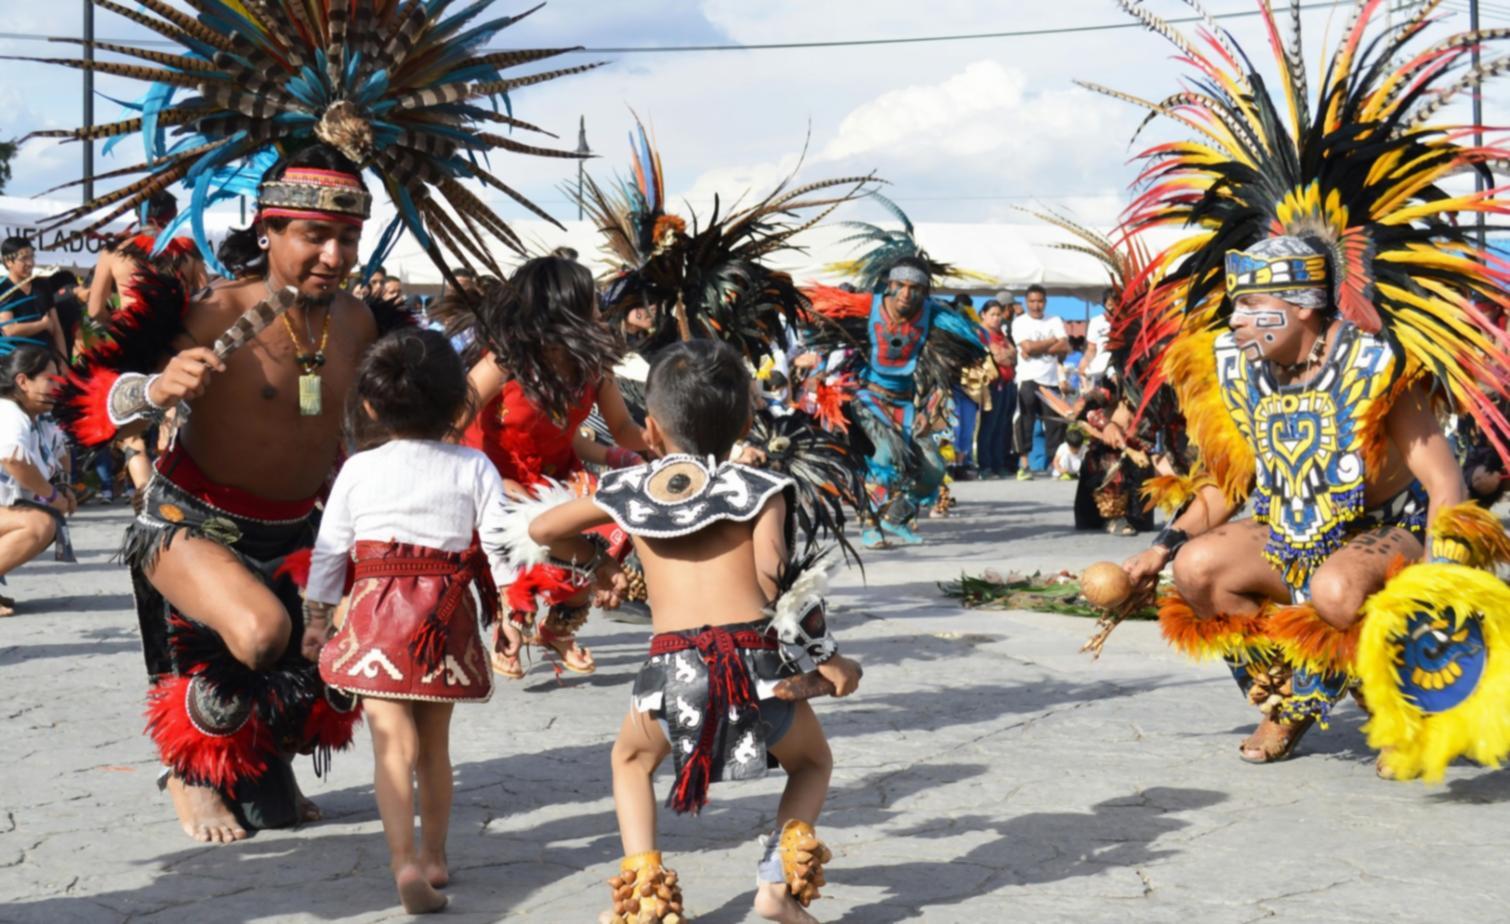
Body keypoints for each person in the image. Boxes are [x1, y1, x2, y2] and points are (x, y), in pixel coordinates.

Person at [37, 0, 591, 841]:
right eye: (312, 236)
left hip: (302, 526)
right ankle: (185, 772)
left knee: (335, 656)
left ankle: (257, 766)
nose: (333, 255)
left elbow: (402, 428)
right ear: (269, 229)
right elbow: (92, 402)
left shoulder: (365, 326)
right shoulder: (209, 309)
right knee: (261, 634)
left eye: (347, 237)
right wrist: (154, 391)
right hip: (190, 524)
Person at [1099, 1, 1510, 780]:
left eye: (1261, 308)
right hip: (1289, 532)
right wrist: (1159, 548)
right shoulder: (1237, 375)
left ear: (1308, 309)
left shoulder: (1378, 368)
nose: (1243, 320)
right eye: (1239, 305)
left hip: (1384, 543)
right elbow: (1228, 486)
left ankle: (1373, 678)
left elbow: (1442, 479)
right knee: (1200, 572)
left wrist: (1450, 579)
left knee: (1335, 586)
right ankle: (1292, 694)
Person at [507, 339, 862, 924]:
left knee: (630, 761)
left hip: (672, 676)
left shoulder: (627, 490)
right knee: (811, 765)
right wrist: (829, 659)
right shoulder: (760, 490)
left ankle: (646, 899)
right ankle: (776, 887)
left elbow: (544, 527)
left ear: (649, 430)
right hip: (755, 673)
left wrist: (598, 560)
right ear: (747, 421)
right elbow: (779, 589)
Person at [303, 328, 509, 914]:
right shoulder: (473, 465)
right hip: (443, 620)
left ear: (370, 404)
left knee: (391, 747)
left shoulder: (359, 468)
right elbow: (499, 544)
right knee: (434, 750)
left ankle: (403, 864)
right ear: (457, 403)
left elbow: (329, 551)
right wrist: (515, 609)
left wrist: (318, 618)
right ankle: (437, 857)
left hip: (375, 620)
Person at [459, 255, 648, 678]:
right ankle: (514, 622)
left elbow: (620, 426)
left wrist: (663, 447)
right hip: (494, 481)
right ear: (563, 309)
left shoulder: (593, 367)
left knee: (600, 543)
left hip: (559, 477)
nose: (600, 310)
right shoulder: (503, 362)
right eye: (591, 302)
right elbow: (449, 423)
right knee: (528, 552)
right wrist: (494, 481)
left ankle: (558, 629)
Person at [0, 343, 76, 615]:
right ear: (23, 381)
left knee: (46, 521)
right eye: (50, 379)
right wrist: (53, 497)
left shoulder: (37, 416)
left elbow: (61, 448)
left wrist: (64, 485)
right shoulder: (8, 412)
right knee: (39, 524)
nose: (58, 385)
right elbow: (13, 459)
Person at [85, 191, 204, 324]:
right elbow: (205, 299)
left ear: (138, 215)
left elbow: (95, 310)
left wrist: (119, 326)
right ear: (174, 216)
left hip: (133, 336)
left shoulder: (112, 252)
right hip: (178, 337)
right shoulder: (187, 249)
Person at [1012, 284, 1069, 479]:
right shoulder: (1019, 322)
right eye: (1032, 301)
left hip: (1050, 379)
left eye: (1040, 301)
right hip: (1028, 378)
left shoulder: (1054, 320)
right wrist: (1051, 342)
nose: (1036, 306)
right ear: (1026, 302)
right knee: (1025, 421)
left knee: (1056, 424)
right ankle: (1024, 465)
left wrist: (1037, 348)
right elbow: (1026, 346)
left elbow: (1065, 346)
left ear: (1045, 302)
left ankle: (1056, 465)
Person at [0, 237, 64, 358]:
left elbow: (56, 327)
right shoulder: (3, 289)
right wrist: (43, 325)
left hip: (47, 357)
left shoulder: (42, 285)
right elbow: (9, 330)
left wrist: (63, 361)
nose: (30, 263)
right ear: (9, 262)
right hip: (19, 361)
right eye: (24, 258)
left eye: (32, 257)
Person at [976, 300, 1016, 478]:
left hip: (1006, 383)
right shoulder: (981, 333)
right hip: (991, 385)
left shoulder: (1001, 333)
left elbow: (1013, 354)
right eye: (992, 314)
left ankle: (998, 464)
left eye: (999, 315)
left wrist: (1004, 353)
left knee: (1002, 426)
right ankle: (985, 465)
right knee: (989, 425)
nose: (996, 318)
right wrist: (1003, 353)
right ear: (983, 314)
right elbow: (995, 356)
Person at [1079, 288, 1114, 384]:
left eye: (1116, 304)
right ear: (1104, 304)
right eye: (1110, 305)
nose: (1112, 309)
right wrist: (1083, 364)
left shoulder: (1126, 320)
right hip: (1101, 369)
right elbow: (1091, 348)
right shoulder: (1096, 322)